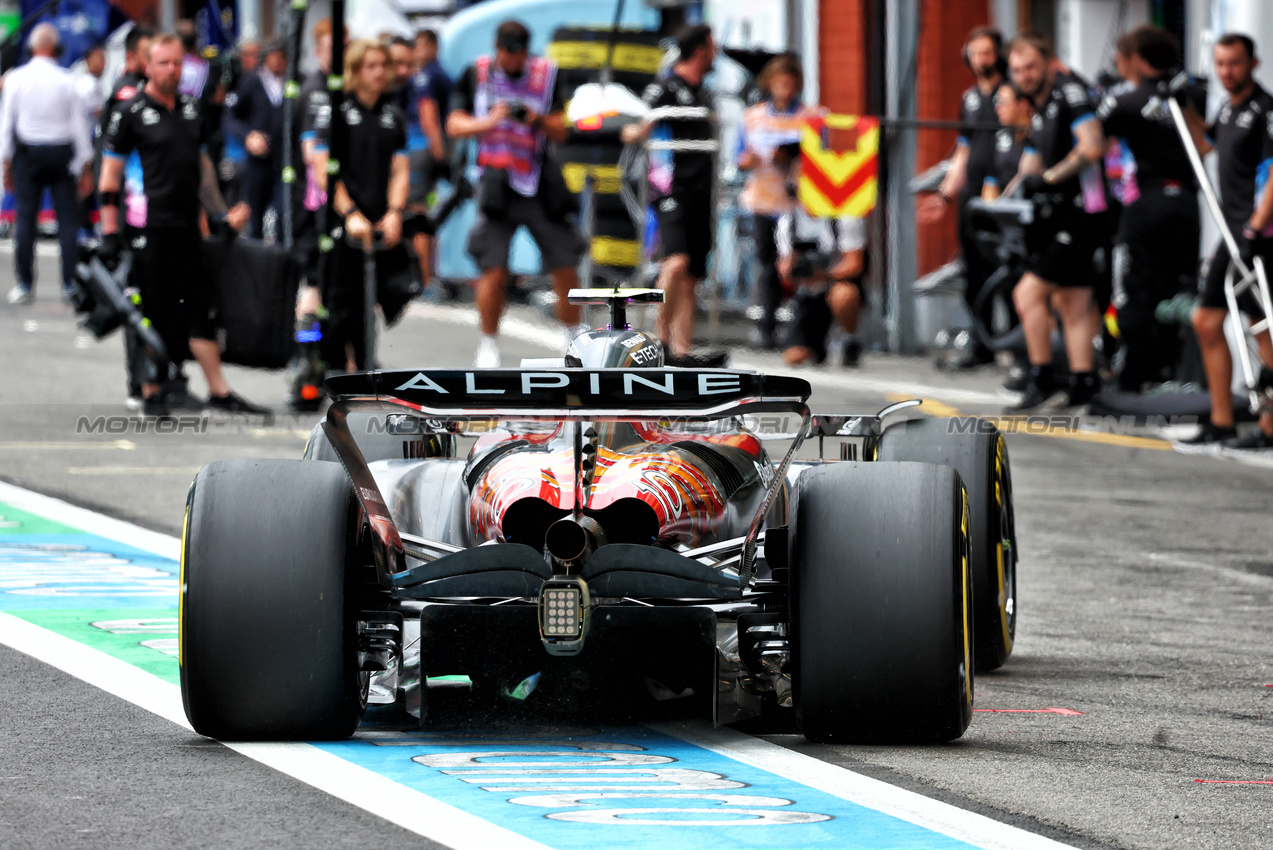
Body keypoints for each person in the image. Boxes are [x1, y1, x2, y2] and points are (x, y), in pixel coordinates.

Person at [98, 33, 262, 416]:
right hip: (146, 227)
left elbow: (203, 171)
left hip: (187, 225)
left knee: (200, 306)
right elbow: (109, 180)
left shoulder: (192, 109)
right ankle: (151, 389)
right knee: (151, 308)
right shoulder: (130, 111)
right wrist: (109, 235)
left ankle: (219, 391)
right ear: (148, 66)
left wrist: (220, 214)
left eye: (176, 63)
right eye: (163, 63)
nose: (171, 70)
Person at [447, 19, 587, 367]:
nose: (514, 63)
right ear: (497, 49)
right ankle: (489, 343)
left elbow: (562, 132)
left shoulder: (546, 74)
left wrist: (535, 119)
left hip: (539, 182)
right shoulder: (475, 73)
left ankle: (574, 338)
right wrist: (489, 121)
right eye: (508, 56)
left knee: (564, 262)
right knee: (492, 268)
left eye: (519, 56)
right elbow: (454, 124)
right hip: (496, 184)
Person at [1175, 33, 1273, 452]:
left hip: (1255, 235)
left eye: (1234, 63)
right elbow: (1204, 145)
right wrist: (1185, 104)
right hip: (1230, 233)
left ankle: (1269, 427)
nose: (1226, 72)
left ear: (1254, 63)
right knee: (1207, 320)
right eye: (1220, 64)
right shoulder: (1227, 107)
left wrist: (1255, 229)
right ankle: (1221, 421)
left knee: (1263, 328)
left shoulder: (1265, 111)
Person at [1006, 30, 1109, 412]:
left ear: (1048, 62)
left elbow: (1092, 145)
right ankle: (1083, 383)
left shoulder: (1069, 92)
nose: (1024, 74)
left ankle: (1042, 377)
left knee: (1027, 294)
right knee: (1073, 299)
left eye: (1030, 66)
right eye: (1017, 69)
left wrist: (1049, 178)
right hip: (1057, 215)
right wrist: (1009, 197)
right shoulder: (1039, 101)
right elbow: (1030, 159)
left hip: (1082, 211)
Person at [1096, 26, 1202, 393]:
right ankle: (1171, 371)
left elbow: (1093, 145)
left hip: (1145, 205)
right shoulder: (1191, 94)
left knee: (1131, 290)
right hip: (1188, 205)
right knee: (1175, 289)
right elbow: (1205, 146)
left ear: (1138, 59)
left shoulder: (1124, 98)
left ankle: (1132, 378)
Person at [621, 23, 722, 367]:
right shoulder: (665, 85)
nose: (716, 53)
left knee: (692, 272)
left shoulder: (704, 92)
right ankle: (659, 342)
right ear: (700, 50)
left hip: (702, 188)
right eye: (712, 46)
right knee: (675, 261)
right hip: (670, 185)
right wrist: (633, 131)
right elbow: (638, 124)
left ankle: (682, 351)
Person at [319, 38, 413, 372]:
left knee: (373, 300)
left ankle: (365, 366)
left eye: (382, 66)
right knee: (339, 301)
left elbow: (400, 169)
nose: (378, 73)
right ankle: (329, 367)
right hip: (342, 221)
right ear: (355, 71)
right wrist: (349, 213)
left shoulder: (393, 115)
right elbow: (323, 170)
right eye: (370, 66)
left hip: (378, 218)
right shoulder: (337, 112)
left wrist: (394, 212)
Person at [917, 27, 1006, 369]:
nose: (981, 60)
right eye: (975, 52)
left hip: (1003, 195)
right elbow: (962, 152)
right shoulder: (969, 98)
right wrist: (944, 194)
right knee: (975, 275)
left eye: (986, 52)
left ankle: (1019, 349)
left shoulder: (1011, 94)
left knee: (1008, 274)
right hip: (972, 197)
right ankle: (983, 347)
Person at [0, 24, 94, 305]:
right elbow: (80, 127)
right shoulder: (68, 80)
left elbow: (7, 125)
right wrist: (85, 166)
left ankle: (26, 283)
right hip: (61, 153)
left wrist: (5, 164)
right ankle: (68, 284)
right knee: (67, 221)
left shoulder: (16, 79)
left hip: (28, 154)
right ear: (56, 48)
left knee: (25, 220)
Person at [735, 53, 820, 350]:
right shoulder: (753, 116)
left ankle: (801, 329)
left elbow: (823, 156)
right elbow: (739, 156)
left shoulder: (810, 116)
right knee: (767, 264)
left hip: (798, 201)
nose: (784, 89)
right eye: (778, 83)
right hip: (762, 197)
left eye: (789, 83)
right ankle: (767, 327)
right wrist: (748, 160)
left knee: (799, 264)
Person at [774, 148, 868, 367]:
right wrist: (790, 270)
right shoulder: (788, 222)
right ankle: (817, 346)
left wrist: (824, 274)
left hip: (836, 283)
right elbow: (785, 270)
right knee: (793, 358)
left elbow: (855, 263)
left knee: (844, 295)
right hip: (808, 291)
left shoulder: (844, 215)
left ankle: (849, 338)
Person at [227, 39, 286, 240]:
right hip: (258, 160)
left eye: (282, 57)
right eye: (274, 57)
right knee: (256, 215)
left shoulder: (292, 81)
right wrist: (248, 135)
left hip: (284, 159)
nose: (278, 62)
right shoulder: (252, 81)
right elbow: (231, 116)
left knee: (282, 213)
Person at [406, 29, 450, 290]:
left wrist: (438, 153)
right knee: (420, 212)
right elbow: (428, 115)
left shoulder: (429, 75)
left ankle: (424, 277)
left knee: (420, 211)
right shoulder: (428, 74)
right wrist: (441, 155)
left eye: (422, 45)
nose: (418, 51)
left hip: (421, 148)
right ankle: (424, 277)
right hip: (424, 149)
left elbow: (428, 114)